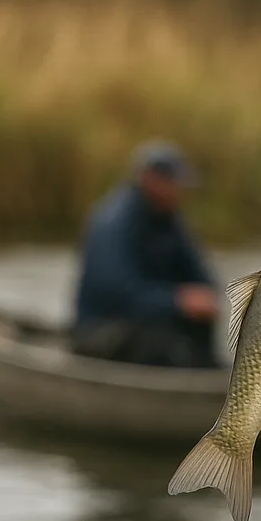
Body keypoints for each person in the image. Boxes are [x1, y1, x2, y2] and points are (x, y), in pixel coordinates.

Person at [71, 141, 222, 369]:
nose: (180, 191)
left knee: (200, 321)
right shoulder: (113, 223)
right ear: (151, 179)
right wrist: (176, 301)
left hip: (151, 318)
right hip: (100, 330)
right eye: (174, 183)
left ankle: (212, 380)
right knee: (158, 340)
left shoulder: (169, 221)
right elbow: (116, 294)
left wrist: (203, 297)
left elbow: (199, 274)